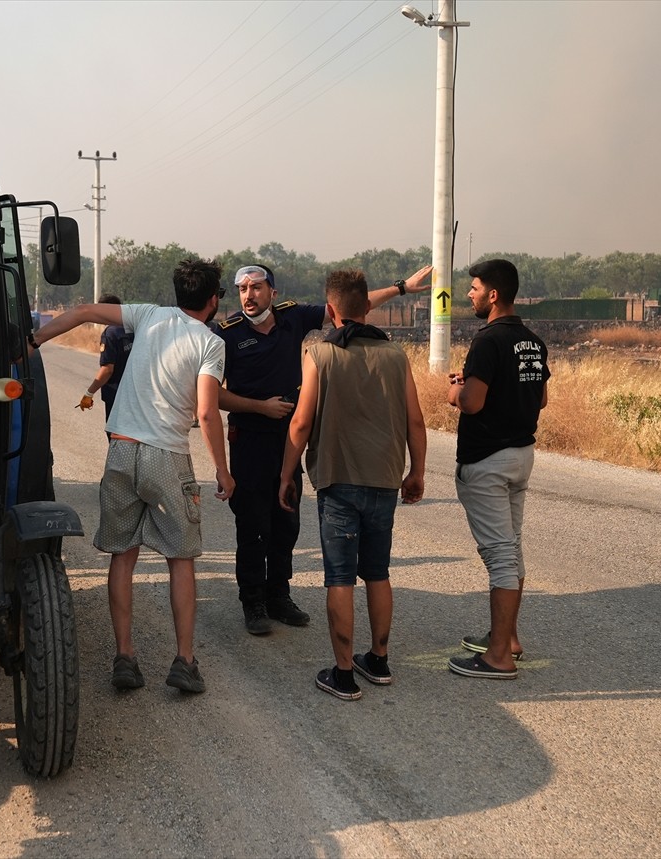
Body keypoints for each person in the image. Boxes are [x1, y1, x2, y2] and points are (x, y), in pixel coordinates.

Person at [30, 258, 235, 694]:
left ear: (178, 294)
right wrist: (222, 469)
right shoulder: (210, 343)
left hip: (120, 449)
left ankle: (125, 656)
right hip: (166, 455)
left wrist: (35, 340)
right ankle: (184, 660)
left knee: (123, 555)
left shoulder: (150, 315)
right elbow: (205, 411)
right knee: (180, 558)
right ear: (214, 299)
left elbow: (83, 311)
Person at [215, 262, 432, 635]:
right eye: (242, 289)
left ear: (273, 292)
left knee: (286, 524)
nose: (248, 296)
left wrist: (399, 287)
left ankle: (279, 595)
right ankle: (253, 601)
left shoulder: (292, 318)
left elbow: (348, 308)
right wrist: (259, 407)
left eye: (256, 288)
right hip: (249, 440)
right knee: (252, 525)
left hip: (289, 443)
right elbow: (212, 394)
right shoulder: (226, 334)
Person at [277, 269, 426, 700]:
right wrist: (416, 471)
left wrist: (286, 474)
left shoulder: (320, 356)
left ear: (331, 311)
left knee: (339, 577)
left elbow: (301, 422)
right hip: (383, 480)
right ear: (367, 306)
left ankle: (343, 674)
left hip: (338, 481)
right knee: (377, 573)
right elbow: (415, 421)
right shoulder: (397, 357)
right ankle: (378, 661)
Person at [446, 258, 549, 680]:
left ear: (493, 295)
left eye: (473, 288)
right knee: (513, 546)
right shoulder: (532, 341)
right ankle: (507, 638)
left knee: (500, 555)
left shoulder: (487, 341)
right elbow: (540, 399)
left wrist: (453, 391)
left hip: (488, 460)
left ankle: (498, 658)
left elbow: (472, 402)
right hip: (521, 456)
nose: (468, 294)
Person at [78, 295, 134, 431]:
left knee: (116, 437)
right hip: (136, 395)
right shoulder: (133, 328)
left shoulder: (111, 334)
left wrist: (89, 393)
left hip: (116, 396)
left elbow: (107, 370)